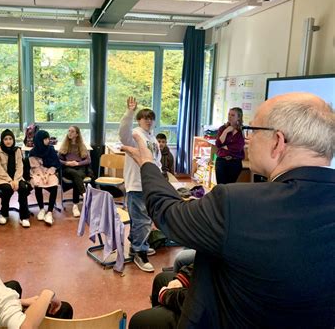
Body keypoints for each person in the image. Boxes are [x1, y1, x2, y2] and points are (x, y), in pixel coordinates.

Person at [123, 92, 335, 327]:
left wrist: (147, 163)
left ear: (278, 142)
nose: (247, 140)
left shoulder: (238, 203)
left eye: (252, 131)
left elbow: (168, 213)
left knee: (142, 322)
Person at [119, 96, 161, 273]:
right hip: (136, 185)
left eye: (151, 118)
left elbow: (155, 161)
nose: (149, 121)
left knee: (144, 220)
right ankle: (139, 252)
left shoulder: (152, 138)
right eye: (145, 118)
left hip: (149, 184)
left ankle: (138, 244)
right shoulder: (135, 135)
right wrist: (130, 111)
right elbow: (123, 132)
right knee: (141, 221)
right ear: (139, 120)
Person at [0, 129, 31, 227]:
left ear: (13, 139)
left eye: (10, 139)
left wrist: (16, 180)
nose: (8, 141)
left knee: (23, 188)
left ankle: (24, 217)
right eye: (5, 139)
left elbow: (20, 167)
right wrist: (10, 181)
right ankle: (4, 213)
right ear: (2, 140)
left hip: (17, 178)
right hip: (2, 179)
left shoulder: (17, 150)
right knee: (7, 189)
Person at [58, 125, 93, 218]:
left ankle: (75, 205)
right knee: (75, 174)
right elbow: (58, 160)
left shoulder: (81, 145)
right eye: (69, 131)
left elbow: (88, 160)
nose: (69, 133)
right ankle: (84, 194)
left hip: (79, 167)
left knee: (76, 179)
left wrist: (77, 164)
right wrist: (67, 163)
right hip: (68, 169)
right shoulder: (65, 145)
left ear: (77, 134)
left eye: (72, 131)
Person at [29, 130, 60, 226]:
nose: (48, 140)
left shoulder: (51, 149)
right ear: (40, 140)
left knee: (54, 183)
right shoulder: (33, 152)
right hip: (38, 172)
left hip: (49, 172)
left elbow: (55, 164)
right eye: (46, 139)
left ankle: (50, 212)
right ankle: (41, 209)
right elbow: (35, 167)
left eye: (48, 138)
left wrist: (47, 174)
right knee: (37, 183)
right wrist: (42, 176)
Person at [214, 107, 245, 184]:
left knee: (230, 187)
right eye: (229, 114)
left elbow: (238, 148)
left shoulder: (242, 130)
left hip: (235, 162)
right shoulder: (222, 128)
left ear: (239, 117)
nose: (229, 117)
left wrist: (225, 146)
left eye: (233, 115)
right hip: (221, 161)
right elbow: (218, 144)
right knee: (221, 187)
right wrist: (226, 131)